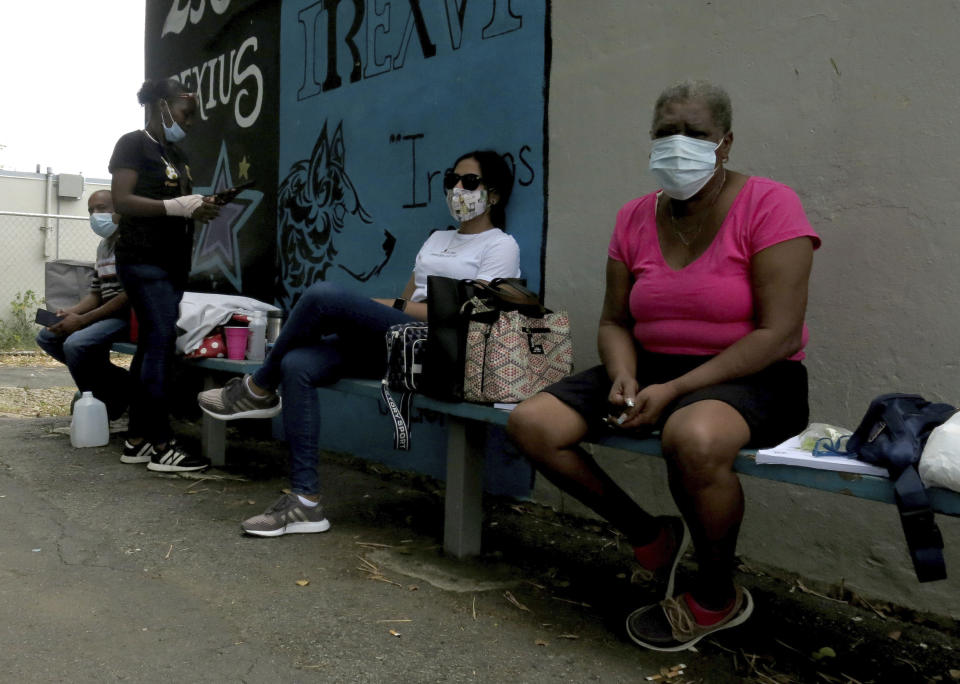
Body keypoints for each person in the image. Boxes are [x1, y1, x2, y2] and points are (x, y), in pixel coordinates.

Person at [506, 80, 820, 652]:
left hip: (753, 377)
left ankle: (718, 594)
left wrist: (675, 389)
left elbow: (781, 334)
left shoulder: (770, 205)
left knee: (693, 437)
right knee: (533, 424)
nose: (679, 145)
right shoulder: (633, 217)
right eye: (666, 133)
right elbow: (614, 321)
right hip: (652, 367)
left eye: (695, 133)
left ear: (724, 143)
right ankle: (650, 537)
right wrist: (624, 374)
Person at [198, 150, 520, 537]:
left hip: (445, 354)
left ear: (495, 195)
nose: (457, 189)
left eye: (469, 182)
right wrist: (376, 310)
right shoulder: (437, 239)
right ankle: (305, 503)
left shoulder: (500, 246)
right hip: (404, 344)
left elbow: (468, 315)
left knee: (322, 296)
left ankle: (257, 388)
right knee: (298, 364)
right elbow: (408, 299)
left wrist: (380, 306)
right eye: (452, 180)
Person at [109, 78, 221, 471]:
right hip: (142, 260)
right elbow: (122, 200)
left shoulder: (176, 154)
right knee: (159, 342)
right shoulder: (133, 143)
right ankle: (161, 444)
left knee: (151, 347)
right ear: (161, 105)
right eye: (185, 113)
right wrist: (177, 206)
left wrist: (199, 207)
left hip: (173, 264)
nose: (190, 122)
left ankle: (137, 440)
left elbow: (178, 204)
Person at [36, 190, 130, 422]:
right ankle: (121, 384)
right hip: (107, 315)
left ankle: (104, 402)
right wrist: (71, 312)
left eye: (101, 208)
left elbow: (130, 295)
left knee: (76, 344)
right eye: (90, 211)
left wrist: (82, 320)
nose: (95, 216)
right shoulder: (104, 246)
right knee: (46, 337)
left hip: (128, 316)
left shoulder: (132, 242)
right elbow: (96, 293)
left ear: (118, 209)